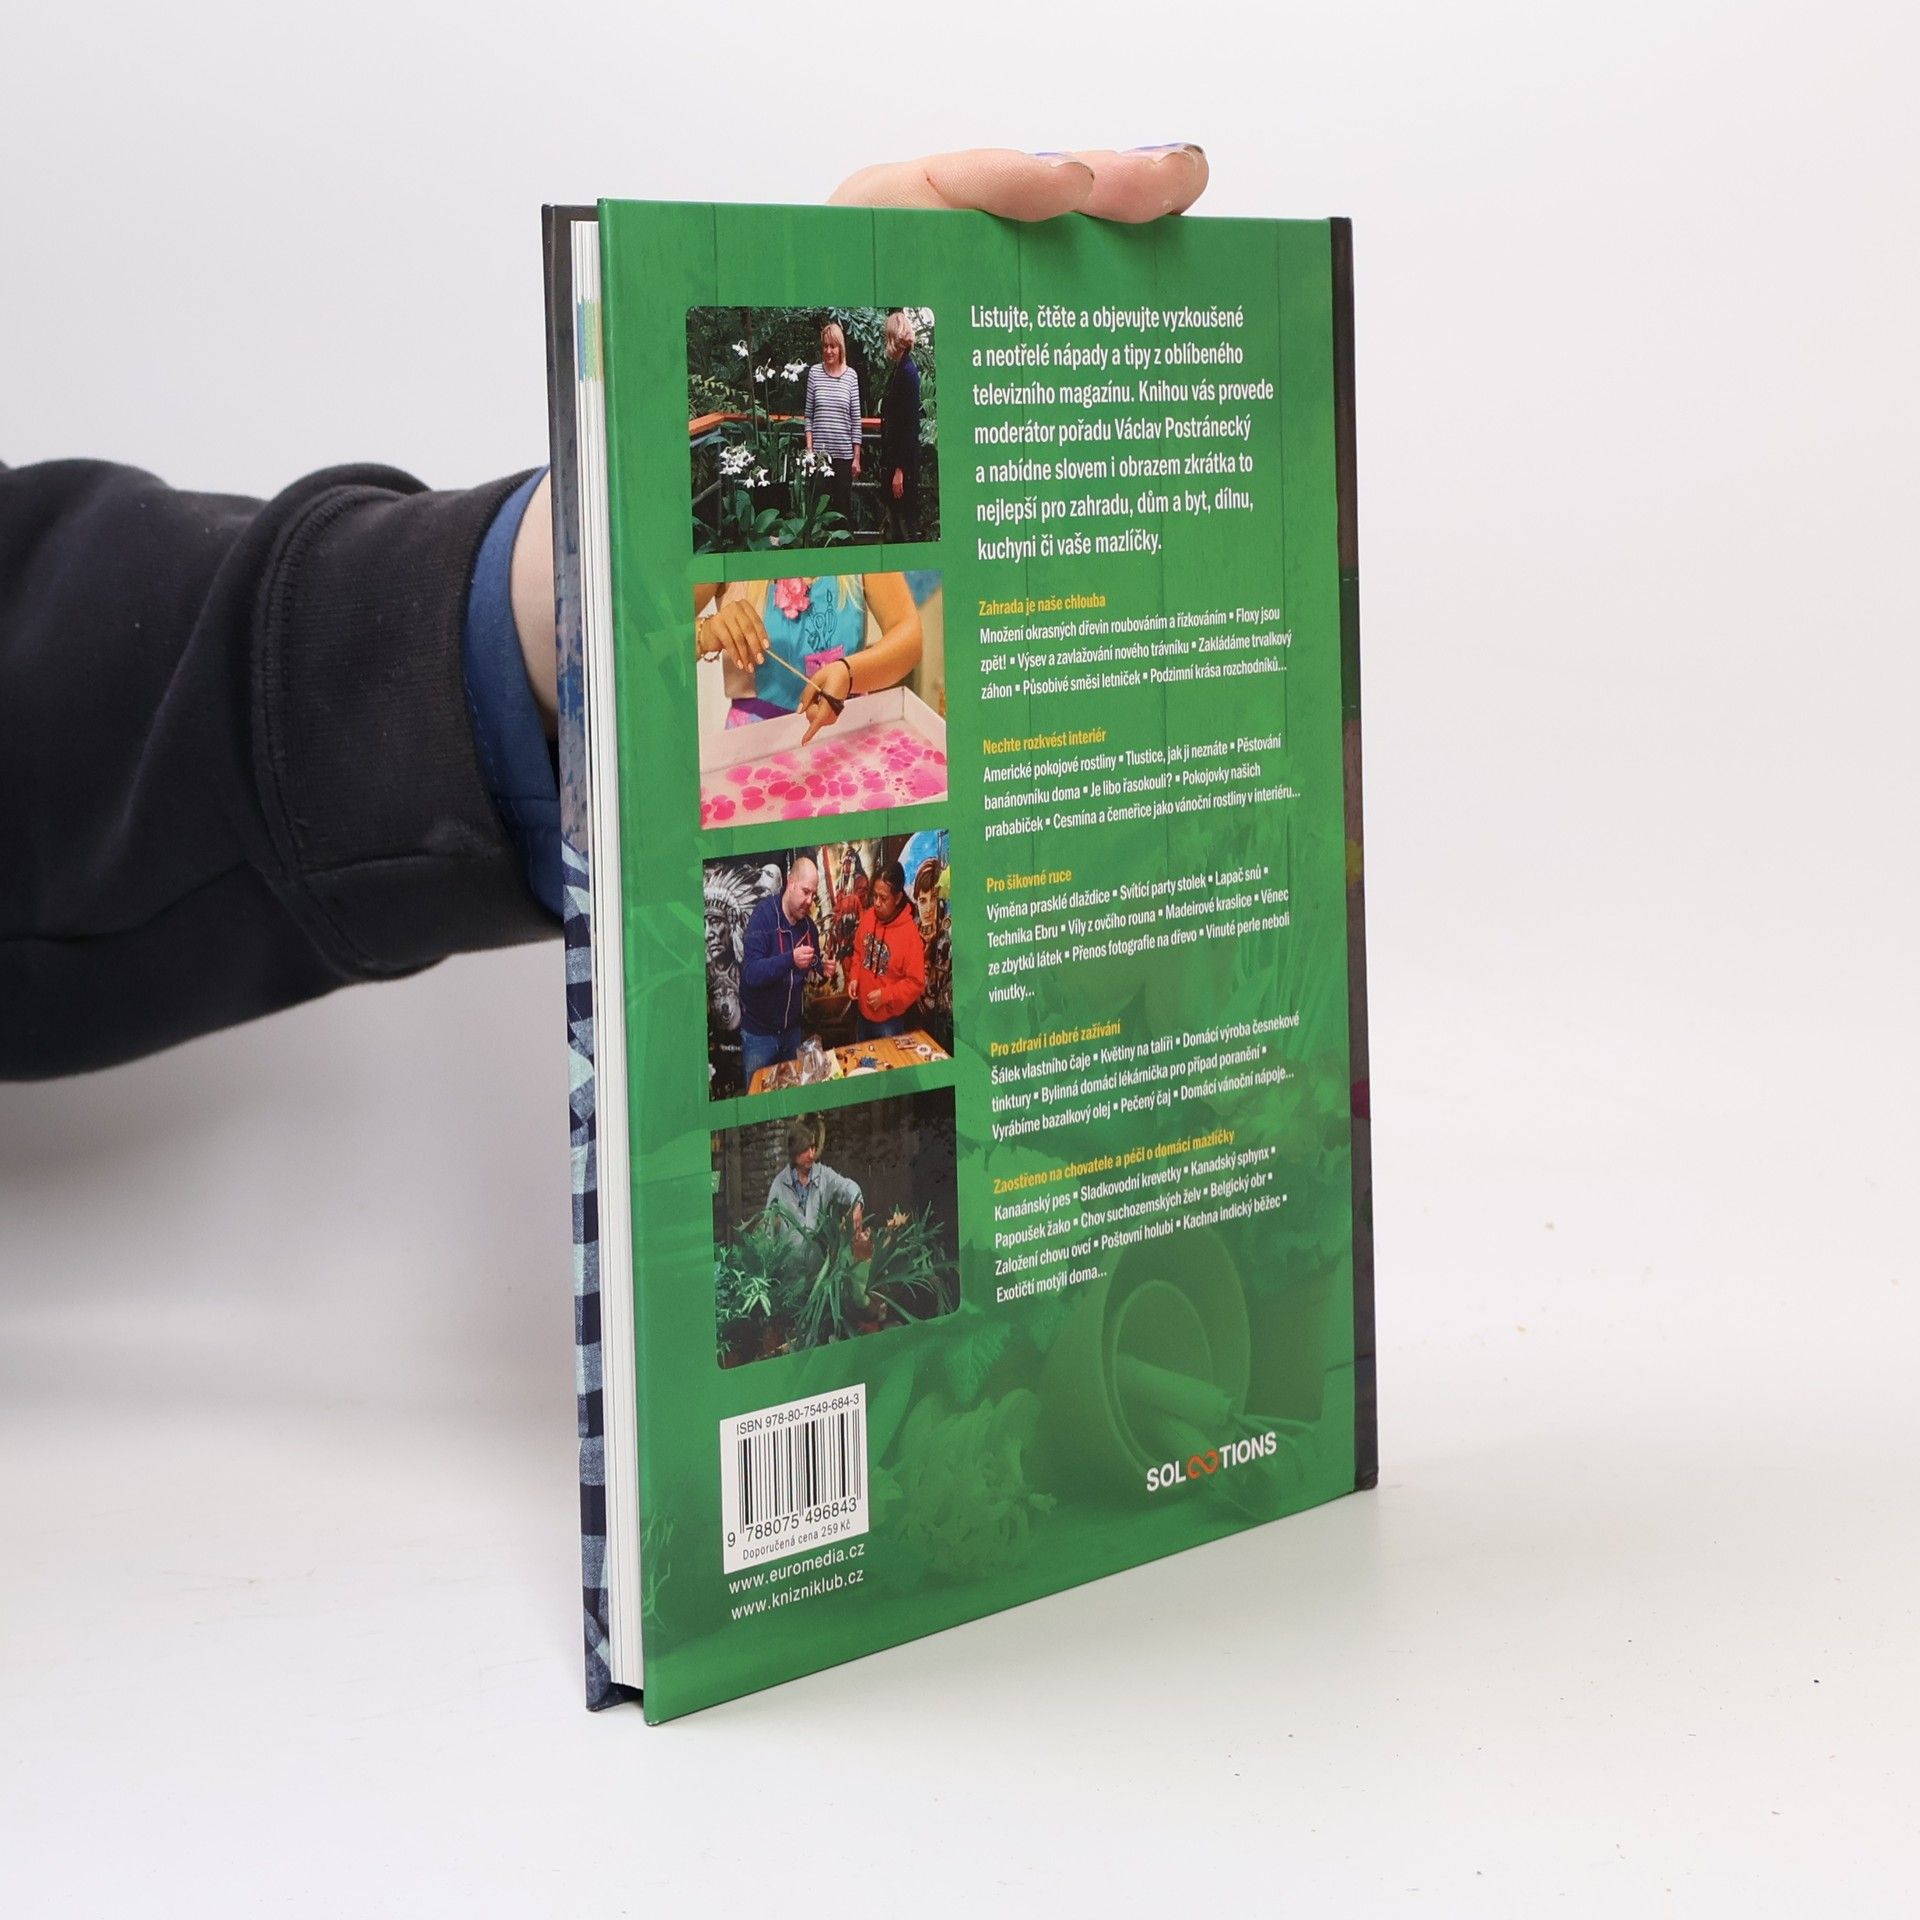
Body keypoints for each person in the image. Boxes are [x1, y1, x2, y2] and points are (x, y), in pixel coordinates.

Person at [0, 145, 1209, 1080]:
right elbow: (678, 627)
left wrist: (841, 664)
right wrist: (669, 621)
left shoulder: (871, 547)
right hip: (757, 766)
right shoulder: (753, 564)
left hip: (858, 748)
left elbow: (906, 638)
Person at [693, 571, 920, 744]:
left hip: (851, 740)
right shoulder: (729, 535)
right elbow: (669, 637)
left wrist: (849, 673)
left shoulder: (857, 533)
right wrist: (705, 633)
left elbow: (909, 634)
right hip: (753, 749)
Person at [737, 856, 824, 1081]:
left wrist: (823, 968)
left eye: (813, 894)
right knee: (758, 1096)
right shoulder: (763, 917)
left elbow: (814, 965)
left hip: (792, 1033)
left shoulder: (809, 928)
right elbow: (751, 973)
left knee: (791, 1095)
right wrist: (790, 960)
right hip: (759, 1035)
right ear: (791, 882)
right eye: (805, 892)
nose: (809, 900)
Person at [847, 860, 927, 1041]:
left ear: (897, 898)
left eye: (883, 898)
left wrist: (885, 996)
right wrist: (854, 977)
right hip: (862, 1014)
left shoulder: (909, 934)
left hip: (889, 1021)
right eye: (874, 896)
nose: (876, 903)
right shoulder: (868, 917)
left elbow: (916, 983)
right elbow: (858, 952)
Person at [764, 1116, 862, 1250]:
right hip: (789, 1263)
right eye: (806, 1149)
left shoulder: (824, 1176)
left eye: (813, 1148)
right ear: (795, 1152)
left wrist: (857, 1205)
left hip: (819, 1262)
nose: (811, 1154)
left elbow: (848, 1187)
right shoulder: (779, 1184)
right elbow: (768, 1230)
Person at [803, 321, 862, 533]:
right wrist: (809, 451)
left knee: (842, 511)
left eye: (833, 346)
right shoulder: (814, 373)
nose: (828, 351)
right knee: (818, 511)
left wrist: (856, 458)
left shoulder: (851, 376)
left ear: (840, 348)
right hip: (819, 459)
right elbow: (808, 416)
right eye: (825, 346)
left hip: (844, 458)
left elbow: (856, 419)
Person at [878, 309, 923, 543]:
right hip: (894, 461)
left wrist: (900, 471)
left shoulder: (907, 372)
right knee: (895, 526)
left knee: (905, 529)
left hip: (902, 469)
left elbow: (909, 425)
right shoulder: (899, 369)